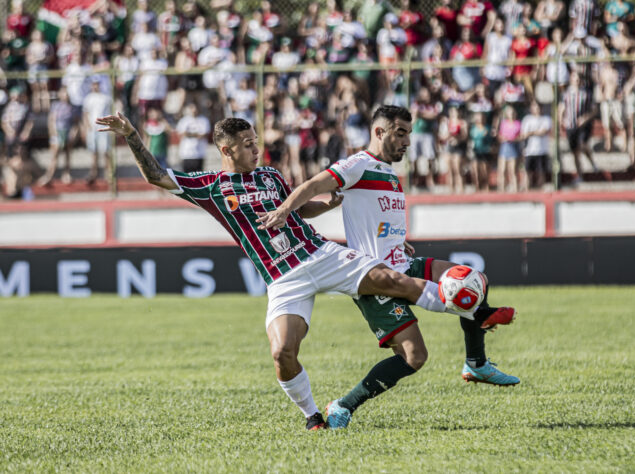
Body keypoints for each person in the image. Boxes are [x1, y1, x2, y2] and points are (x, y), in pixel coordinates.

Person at [95, 112, 489, 431]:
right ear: (225, 149)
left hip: (319, 253)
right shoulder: (212, 187)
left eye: (256, 141)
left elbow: (297, 208)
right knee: (282, 352)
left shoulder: (270, 176)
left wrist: (328, 205)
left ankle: (467, 306)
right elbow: (156, 176)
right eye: (247, 144)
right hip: (283, 278)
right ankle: (314, 418)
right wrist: (131, 134)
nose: (256, 148)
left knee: (391, 279)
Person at [257, 106, 517, 430]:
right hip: (373, 276)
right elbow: (313, 185)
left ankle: (476, 363)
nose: (408, 141)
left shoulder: (388, 172)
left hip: (403, 261)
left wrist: (398, 238)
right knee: (414, 357)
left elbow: (378, 218)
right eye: (401, 133)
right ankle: (344, 405)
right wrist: (284, 210)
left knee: (475, 279)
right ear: (379, 132)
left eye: (409, 133)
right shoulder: (357, 165)